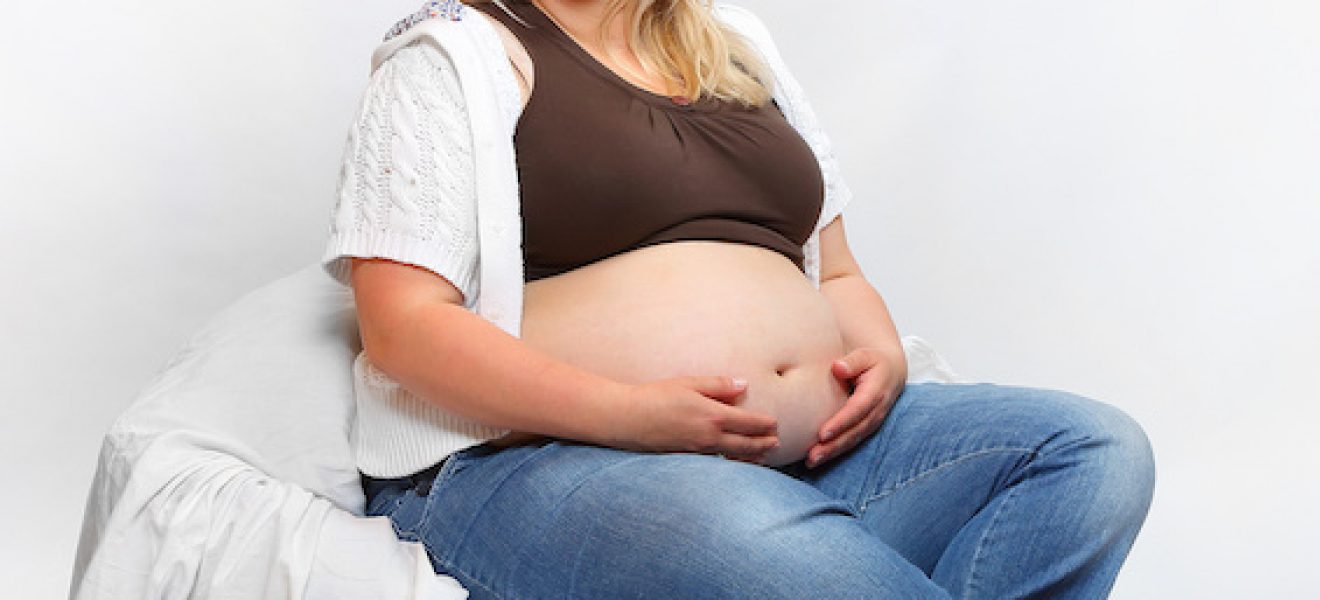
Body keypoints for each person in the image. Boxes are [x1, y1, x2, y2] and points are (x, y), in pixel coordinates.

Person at [320, 0, 1155, 597]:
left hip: (814, 454)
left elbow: (836, 271)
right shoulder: (454, 56)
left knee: (1090, 451)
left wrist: (883, 356)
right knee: (775, 552)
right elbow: (404, 330)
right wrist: (625, 414)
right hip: (537, 461)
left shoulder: (733, 46)